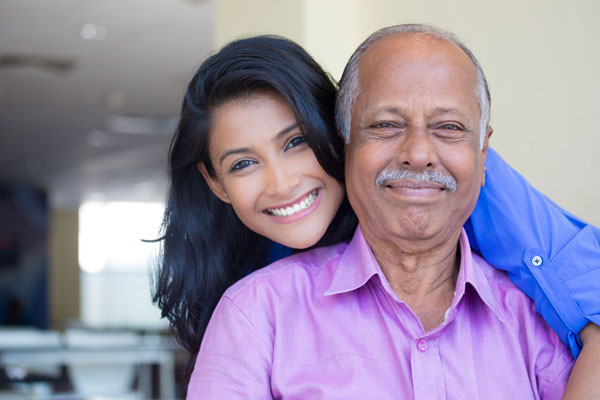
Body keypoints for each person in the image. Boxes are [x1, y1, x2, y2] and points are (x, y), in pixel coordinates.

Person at [153, 33, 600, 395]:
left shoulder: (472, 189)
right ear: (215, 183)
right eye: (243, 163)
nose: (281, 183)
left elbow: (585, 275)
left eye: (295, 143)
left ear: (332, 134)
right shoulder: (254, 303)